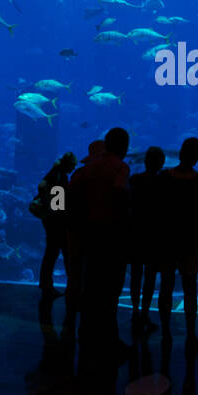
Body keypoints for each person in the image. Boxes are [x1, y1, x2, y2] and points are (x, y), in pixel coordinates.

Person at [68, 127, 132, 357]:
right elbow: (119, 193)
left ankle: (84, 334)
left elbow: (69, 195)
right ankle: (109, 338)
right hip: (111, 232)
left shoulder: (86, 168)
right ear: (124, 146)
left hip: (86, 231)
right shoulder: (121, 167)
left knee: (89, 283)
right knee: (111, 287)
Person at [158, 137, 198, 350]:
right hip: (189, 238)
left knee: (166, 285)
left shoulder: (164, 177)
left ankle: (165, 331)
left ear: (181, 152)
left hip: (167, 237)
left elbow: (159, 207)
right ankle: (191, 335)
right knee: (190, 287)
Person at [63, 140, 105, 338]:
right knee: (94, 273)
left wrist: (60, 220)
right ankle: (89, 315)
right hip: (95, 231)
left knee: (76, 272)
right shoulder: (106, 177)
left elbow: (63, 204)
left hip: (75, 230)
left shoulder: (76, 175)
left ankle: (70, 315)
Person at [128, 146, 167, 334]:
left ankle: (136, 311)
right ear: (162, 163)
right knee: (150, 276)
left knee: (136, 274)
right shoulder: (164, 183)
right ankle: (144, 312)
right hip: (155, 235)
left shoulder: (134, 180)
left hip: (136, 233)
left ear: (145, 162)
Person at [36, 151, 77, 297]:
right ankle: (54, 285)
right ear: (68, 164)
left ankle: (46, 284)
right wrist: (61, 215)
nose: (73, 169)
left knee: (51, 253)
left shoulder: (56, 173)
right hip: (57, 223)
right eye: (72, 166)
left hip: (51, 221)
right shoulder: (59, 177)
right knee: (57, 253)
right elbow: (57, 204)